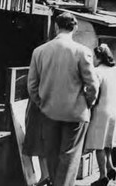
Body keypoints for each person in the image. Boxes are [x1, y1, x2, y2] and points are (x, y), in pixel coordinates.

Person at [28, 12, 99, 186]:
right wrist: (88, 103)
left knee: (51, 154)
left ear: (56, 26)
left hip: (48, 111)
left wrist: (42, 102)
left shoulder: (39, 51)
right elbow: (92, 85)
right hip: (76, 113)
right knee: (70, 156)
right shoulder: (82, 52)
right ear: (75, 27)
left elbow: (31, 85)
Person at [85, 44, 116, 186]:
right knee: (108, 142)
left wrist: (89, 104)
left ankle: (102, 176)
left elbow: (94, 91)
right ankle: (110, 167)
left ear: (99, 57)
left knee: (98, 144)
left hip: (101, 110)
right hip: (114, 110)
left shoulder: (97, 72)